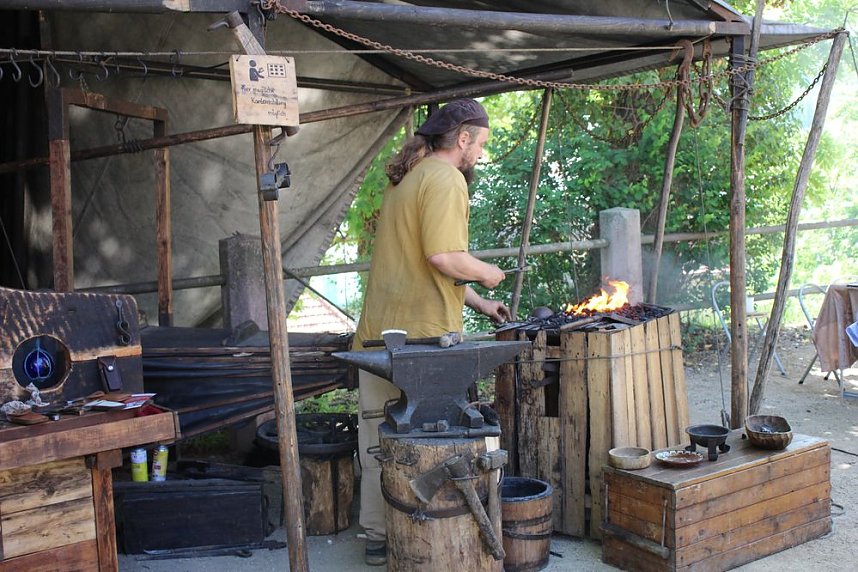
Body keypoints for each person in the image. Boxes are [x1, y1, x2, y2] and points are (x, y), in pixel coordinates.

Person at [352, 98, 511, 566]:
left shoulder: (405, 181)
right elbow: (444, 258)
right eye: (479, 143)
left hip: (379, 334)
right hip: (422, 342)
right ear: (462, 139)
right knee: (432, 440)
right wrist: (486, 272)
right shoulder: (445, 178)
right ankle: (431, 538)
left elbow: (424, 269)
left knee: (378, 438)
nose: (480, 153)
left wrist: (480, 302)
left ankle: (379, 535)